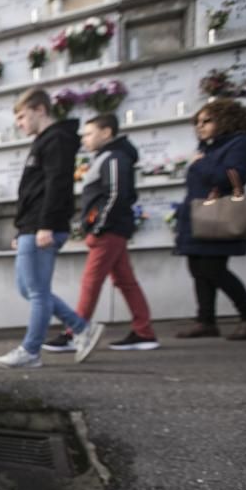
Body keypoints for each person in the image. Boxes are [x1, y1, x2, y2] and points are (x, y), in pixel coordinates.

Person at [0, 88, 104, 369]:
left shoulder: (57, 138)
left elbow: (57, 185)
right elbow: (36, 189)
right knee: (28, 288)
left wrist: (45, 225)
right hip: (32, 226)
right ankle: (81, 328)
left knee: (38, 291)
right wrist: (22, 230)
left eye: (22, 116)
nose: (19, 123)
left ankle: (31, 350)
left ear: (39, 110)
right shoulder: (45, 140)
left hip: (43, 225)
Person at [43, 114, 159, 353]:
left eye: (89, 133)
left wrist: (97, 227)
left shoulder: (114, 157)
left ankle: (76, 332)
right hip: (111, 229)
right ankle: (144, 332)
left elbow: (115, 194)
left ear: (106, 133)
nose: (84, 138)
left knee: (91, 281)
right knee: (125, 281)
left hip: (108, 231)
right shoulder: (108, 157)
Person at [173, 98, 246, 340]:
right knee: (198, 269)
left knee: (214, 269)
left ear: (225, 120)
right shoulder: (209, 147)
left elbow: (231, 177)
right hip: (199, 216)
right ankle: (206, 321)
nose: (200, 126)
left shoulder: (242, 143)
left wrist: (201, 163)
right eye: (197, 122)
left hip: (218, 216)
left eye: (207, 121)